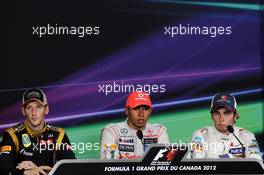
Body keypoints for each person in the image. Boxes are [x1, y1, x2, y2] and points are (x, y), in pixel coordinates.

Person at [0, 88, 76, 175]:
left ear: (46, 109)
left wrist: (49, 172)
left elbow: (71, 167)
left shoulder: (59, 134)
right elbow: (3, 167)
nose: (34, 113)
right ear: (23, 111)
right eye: (29, 108)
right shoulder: (12, 134)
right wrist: (24, 172)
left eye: (38, 107)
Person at [189, 92, 262, 160]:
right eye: (217, 113)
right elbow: (197, 165)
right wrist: (233, 158)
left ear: (235, 116)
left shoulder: (247, 136)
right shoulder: (200, 135)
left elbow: (257, 164)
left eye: (227, 113)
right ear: (212, 115)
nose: (221, 119)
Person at [100, 91, 170, 159]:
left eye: (145, 109)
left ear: (150, 111)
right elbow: (110, 164)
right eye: (136, 108)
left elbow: (164, 163)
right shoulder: (112, 131)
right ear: (127, 111)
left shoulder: (159, 131)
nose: (141, 114)